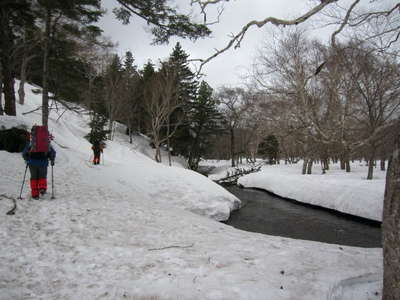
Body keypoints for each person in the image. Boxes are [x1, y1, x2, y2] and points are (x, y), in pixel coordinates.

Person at [22, 131, 56, 200]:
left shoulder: (31, 143)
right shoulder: (46, 142)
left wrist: (27, 159)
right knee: (42, 176)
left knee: (34, 178)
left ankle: (35, 194)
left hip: (32, 163)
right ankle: (42, 188)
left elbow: (24, 153)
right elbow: (52, 152)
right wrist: (52, 160)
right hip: (43, 163)